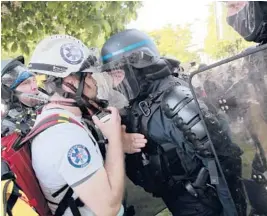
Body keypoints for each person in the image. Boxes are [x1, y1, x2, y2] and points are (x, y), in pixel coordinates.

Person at [100, 29, 246, 216]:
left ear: (140, 65)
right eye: (111, 76)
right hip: (177, 198)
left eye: (118, 75)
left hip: (200, 203)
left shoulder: (175, 99)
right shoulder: (141, 99)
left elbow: (224, 161)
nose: (114, 83)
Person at [27, 34, 126, 216]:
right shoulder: (63, 135)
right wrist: (114, 139)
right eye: (88, 76)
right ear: (70, 83)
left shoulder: (61, 120)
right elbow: (109, 209)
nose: (94, 82)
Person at [1, 56, 45, 137]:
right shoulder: (5, 129)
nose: (34, 87)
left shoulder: (46, 107)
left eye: (34, 80)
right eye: (26, 83)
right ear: (7, 93)